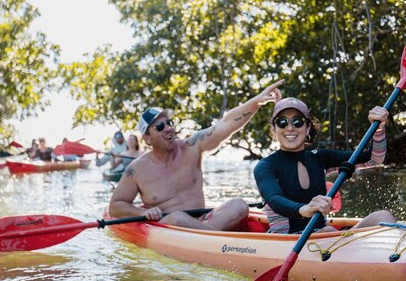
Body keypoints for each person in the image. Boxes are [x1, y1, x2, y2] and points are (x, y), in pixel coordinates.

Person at [108, 80, 284, 230]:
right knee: (178, 217)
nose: (168, 128)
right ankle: (216, 240)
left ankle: (210, 236)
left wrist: (257, 102)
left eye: (169, 122)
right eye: (160, 127)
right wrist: (143, 213)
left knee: (239, 205)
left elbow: (226, 123)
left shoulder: (192, 146)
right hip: (169, 226)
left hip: (204, 220)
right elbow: (116, 206)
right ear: (147, 138)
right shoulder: (136, 170)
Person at [254, 97, 396, 234]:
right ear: (274, 129)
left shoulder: (320, 158)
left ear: (308, 128)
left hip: (324, 237)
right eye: (282, 122)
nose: (290, 128)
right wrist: (304, 209)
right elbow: (274, 199)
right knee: (328, 230)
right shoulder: (266, 166)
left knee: (383, 216)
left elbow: (374, 159)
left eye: (297, 122)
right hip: (286, 240)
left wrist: (378, 129)